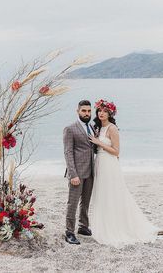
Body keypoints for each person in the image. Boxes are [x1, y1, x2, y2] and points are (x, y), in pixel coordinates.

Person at [88, 99, 158, 248]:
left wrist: (98, 142)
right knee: (103, 194)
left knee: (112, 193)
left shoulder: (112, 128)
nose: (101, 113)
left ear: (110, 113)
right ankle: (105, 223)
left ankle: (119, 226)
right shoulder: (99, 127)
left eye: (105, 111)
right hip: (100, 162)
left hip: (109, 162)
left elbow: (116, 151)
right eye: (99, 110)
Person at [63, 100, 95, 244]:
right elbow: (68, 152)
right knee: (73, 203)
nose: (87, 114)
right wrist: (73, 174)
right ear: (78, 111)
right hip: (77, 173)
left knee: (86, 202)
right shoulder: (70, 128)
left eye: (89, 111)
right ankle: (69, 232)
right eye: (84, 111)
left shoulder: (92, 127)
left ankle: (83, 226)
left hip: (90, 171)